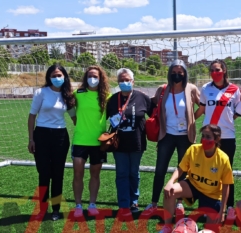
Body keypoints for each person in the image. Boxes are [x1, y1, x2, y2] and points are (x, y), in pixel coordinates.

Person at [151, 124, 234, 233]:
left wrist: (223, 211)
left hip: (212, 194)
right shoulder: (193, 149)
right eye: (203, 136)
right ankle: (167, 228)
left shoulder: (223, 159)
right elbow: (180, 169)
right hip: (193, 186)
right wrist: (170, 182)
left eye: (208, 137)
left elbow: (226, 185)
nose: (204, 139)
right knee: (170, 191)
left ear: (217, 139)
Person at [144, 60, 200, 216]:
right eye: (174, 72)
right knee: (160, 170)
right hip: (166, 135)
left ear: (185, 74)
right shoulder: (163, 89)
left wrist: (193, 119)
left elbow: (203, 105)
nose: (177, 74)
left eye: (180, 72)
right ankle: (154, 203)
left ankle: (180, 203)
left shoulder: (191, 89)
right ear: (169, 73)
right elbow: (153, 105)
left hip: (185, 136)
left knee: (183, 171)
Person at [28, 64, 75, 221]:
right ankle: (42, 209)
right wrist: (31, 139)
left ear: (64, 76)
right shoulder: (41, 93)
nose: (57, 78)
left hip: (60, 137)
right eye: (54, 75)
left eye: (60, 75)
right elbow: (32, 117)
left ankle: (56, 209)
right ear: (49, 77)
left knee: (58, 175)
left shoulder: (67, 95)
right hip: (41, 135)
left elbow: (75, 118)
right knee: (44, 174)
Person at [194, 59, 241, 219]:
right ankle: (206, 207)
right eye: (212, 70)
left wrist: (227, 121)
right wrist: (190, 121)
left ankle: (229, 207)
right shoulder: (206, 88)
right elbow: (201, 109)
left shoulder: (234, 89)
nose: (215, 73)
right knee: (206, 172)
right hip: (208, 137)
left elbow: (238, 110)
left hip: (227, 137)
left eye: (218, 70)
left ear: (224, 70)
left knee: (226, 174)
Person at [106, 68, 153, 215]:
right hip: (118, 143)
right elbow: (105, 118)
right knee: (121, 173)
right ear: (118, 82)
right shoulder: (113, 100)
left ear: (133, 81)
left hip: (137, 142)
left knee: (134, 172)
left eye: (127, 80)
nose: (125, 82)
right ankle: (123, 204)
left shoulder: (142, 98)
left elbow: (154, 116)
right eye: (121, 80)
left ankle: (134, 201)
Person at [72, 65, 111, 217]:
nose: (92, 79)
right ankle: (78, 205)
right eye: (89, 76)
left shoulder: (106, 96)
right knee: (78, 173)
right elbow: (68, 105)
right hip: (80, 140)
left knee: (95, 174)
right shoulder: (78, 94)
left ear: (100, 79)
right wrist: (75, 119)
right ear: (85, 77)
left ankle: (92, 204)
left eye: (95, 76)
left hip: (98, 142)